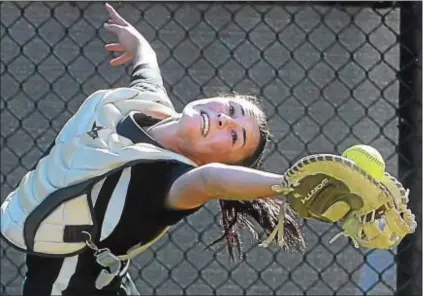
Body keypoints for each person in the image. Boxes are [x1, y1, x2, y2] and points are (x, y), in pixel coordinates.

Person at [1, 4, 306, 296]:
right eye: (230, 108)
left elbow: (210, 180)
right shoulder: (145, 101)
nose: (224, 119)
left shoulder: (173, 181)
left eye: (234, 136)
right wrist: (136, 43)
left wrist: (292, 184)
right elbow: (146, 64)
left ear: (215, 161)